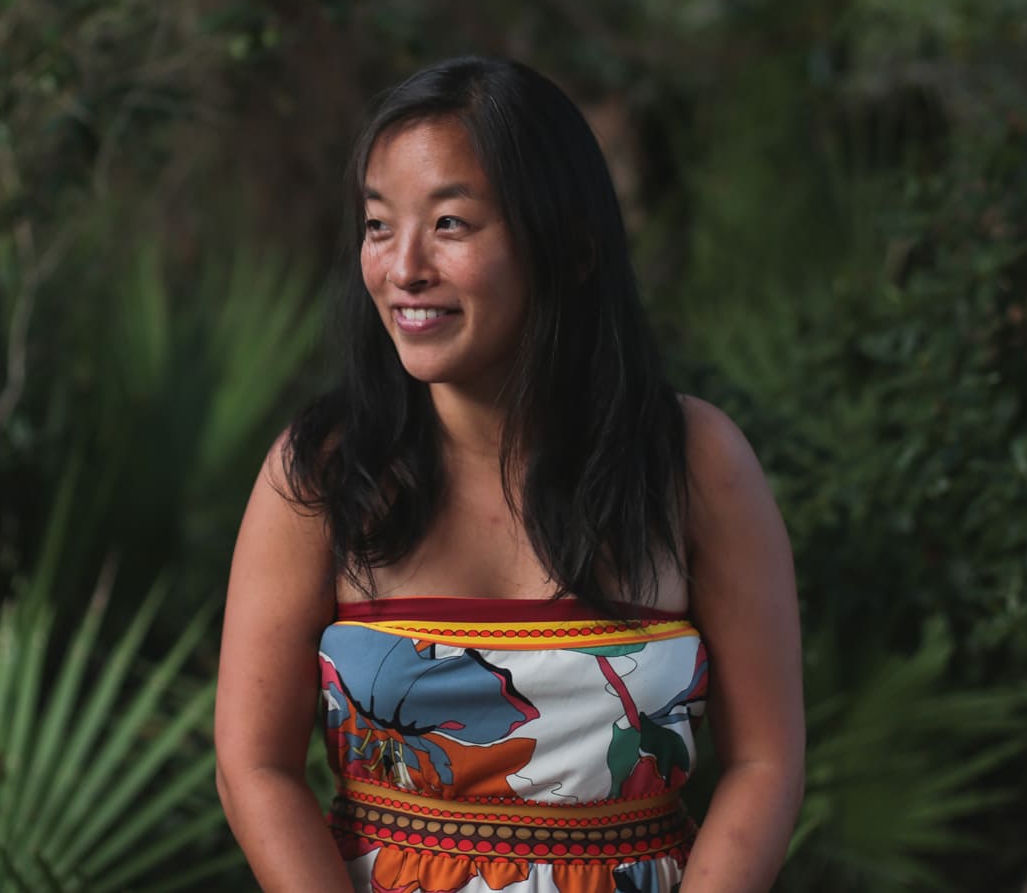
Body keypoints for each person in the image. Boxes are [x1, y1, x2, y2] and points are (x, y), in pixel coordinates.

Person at [215, 57, 804, 892]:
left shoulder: (693, 460)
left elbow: (764, 760)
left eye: (450, 223)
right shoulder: (321, 472)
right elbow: (254, 767)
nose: (403, 267)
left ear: (569, 245)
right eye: (379, 224)